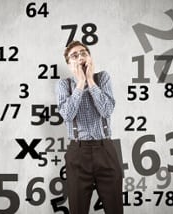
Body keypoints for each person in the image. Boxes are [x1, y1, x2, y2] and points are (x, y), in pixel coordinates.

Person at [56, 40, 123, 214]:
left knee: (115, 208)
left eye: (84, 53)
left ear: (90, 58)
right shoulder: (64, 85)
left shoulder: (103, 78)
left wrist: (90, 81)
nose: (80, 57)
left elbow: (107, 110)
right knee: (78, 210)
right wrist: (80, 83)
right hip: (78, 153)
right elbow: (67, 115)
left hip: (106, 150)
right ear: (69, 64)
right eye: (74, 55)